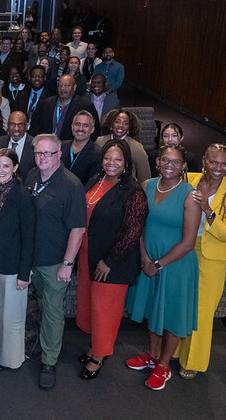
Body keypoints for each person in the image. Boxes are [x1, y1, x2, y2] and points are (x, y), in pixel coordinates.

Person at [125, 144, 200, 391]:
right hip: (149, 260)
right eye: (165, 160)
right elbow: (141, 226)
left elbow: (189, 243)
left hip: (175, 266)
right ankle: (152, 355)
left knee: (170, 315)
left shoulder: (190, 195)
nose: (169, 165)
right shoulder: (147, 185)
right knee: (152, 310)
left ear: (184, 166)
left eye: (175, 161)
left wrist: (158, 264)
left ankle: (164, 365)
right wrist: (146, 258)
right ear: (157, 162)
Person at [76, 139, 148, 380]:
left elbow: (132, 231)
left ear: (126, 162)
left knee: (104, 309)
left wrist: (110, 260)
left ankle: (99, 355)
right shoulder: (97, 179)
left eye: (117, 159)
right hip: (88, 254)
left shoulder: (133, 191)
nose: (111, 163)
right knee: (91, 306)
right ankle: (95, 346)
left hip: (111, 262)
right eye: (108, 158)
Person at [175, 144, 226, 378]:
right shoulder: (189, 180)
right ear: (204, 161)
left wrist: (208, 211)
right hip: (183, 249)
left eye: (223, 164)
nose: (218, 167)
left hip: (212, 258)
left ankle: (192, 361)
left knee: (202, 313)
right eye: (213, 162)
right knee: (180, 304)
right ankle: (173, 350)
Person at [25, 134, 86, 390]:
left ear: (59, 155)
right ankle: (37, 342)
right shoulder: (31, 176)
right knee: (34, 305)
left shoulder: (71, 185)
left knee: (52, 310)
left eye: (48, 153)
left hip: (54, 262)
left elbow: (78, 229)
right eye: (39, 153)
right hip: (30, 258)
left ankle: (49, 360)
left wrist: (67, 264)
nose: (42, 158)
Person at [0, 149, 35, 371]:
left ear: (15, 168)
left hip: (13, 259)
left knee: (11, 314)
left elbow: (29, 236)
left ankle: (10, 359)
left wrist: (24, 273)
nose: (1, 170)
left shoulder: (22, 195)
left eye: (5, 166)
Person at [30, 74, 99, 141]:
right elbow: (35, 127)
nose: (63, 88)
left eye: (67, 85)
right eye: (60, 85)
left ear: (74, 87)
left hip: (72, 148)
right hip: (48, 147)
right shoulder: (46, 104)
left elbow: (94, 130)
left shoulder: (84, 105)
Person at [96, 109, 151, 183]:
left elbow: (145, 176)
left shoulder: (136, 147)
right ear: (111, 124)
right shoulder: (99, 142)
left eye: (125, 123)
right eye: (117, 122)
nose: (121, 126)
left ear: (129, 127)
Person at [61, 111, 103, 184]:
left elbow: (92, 183)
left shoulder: (97, 154)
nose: (80, 128)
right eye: (77, 124)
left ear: (92, 129)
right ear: (72, 126)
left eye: (85, 125)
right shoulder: (60, 147)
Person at [0, 111, 35, 183]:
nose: (16, 128)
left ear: (26, 126)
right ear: (7, 125)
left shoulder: (34, 145)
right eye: (12, 124)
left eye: (20, 124)